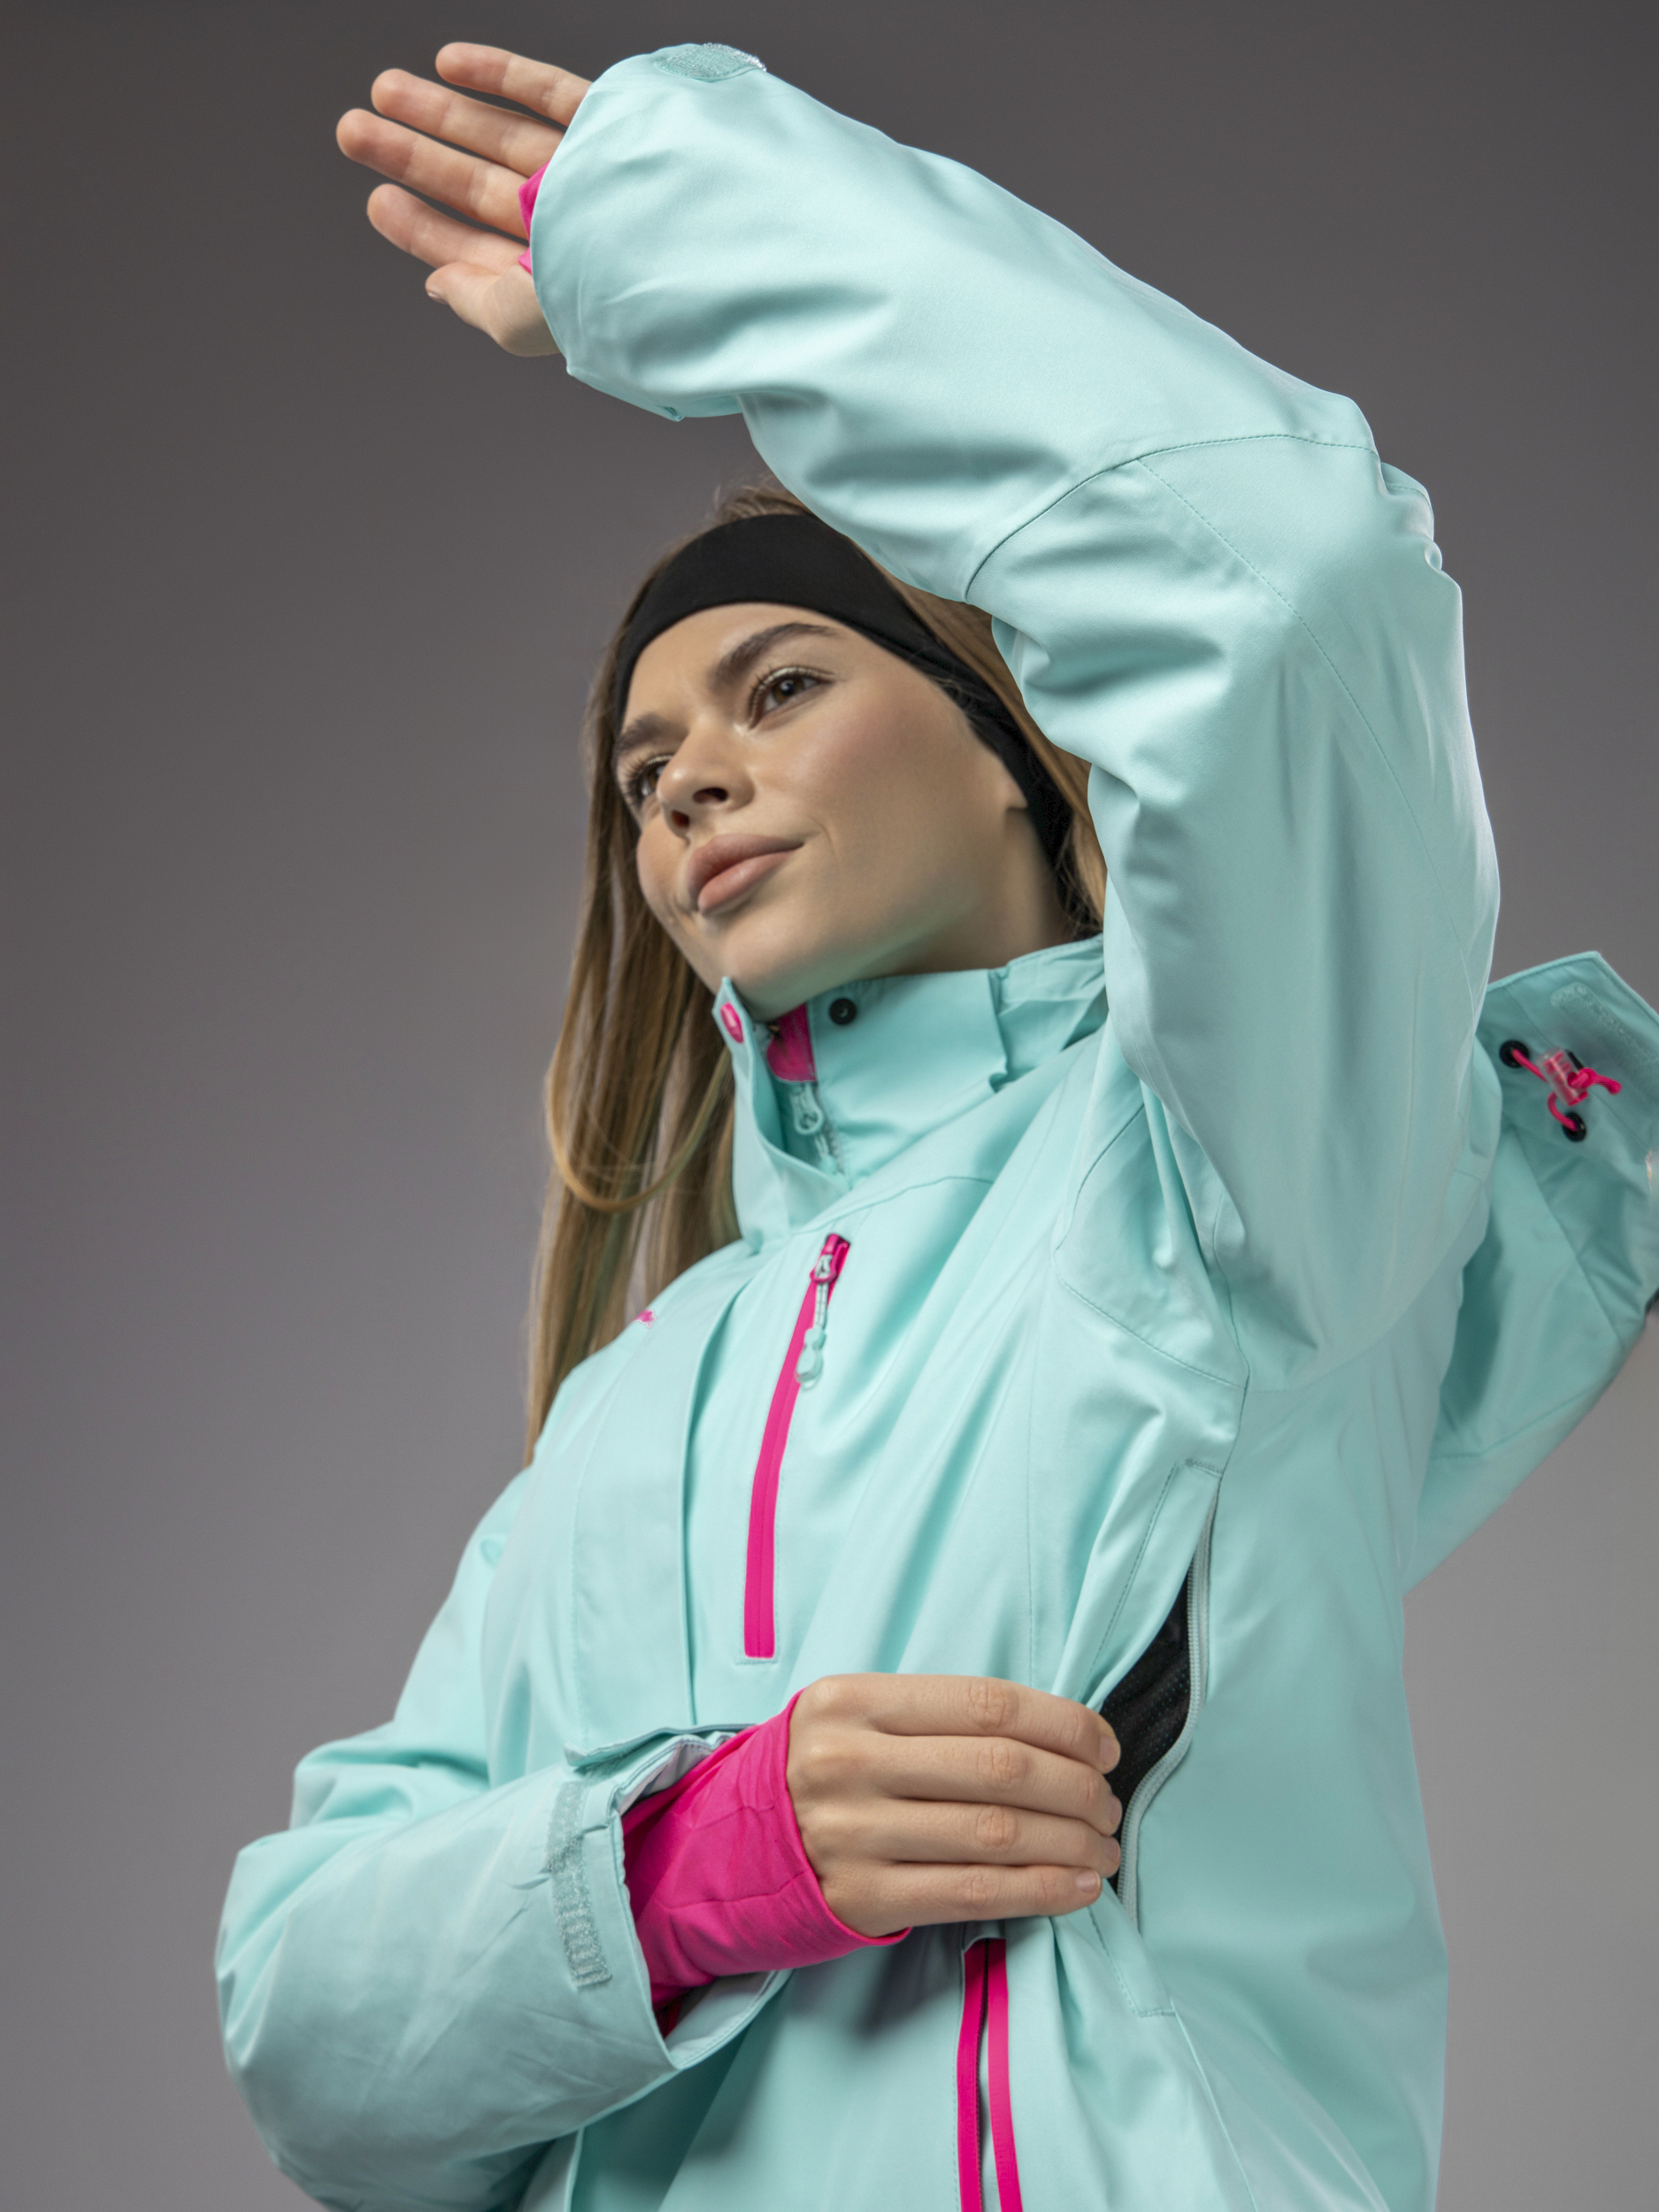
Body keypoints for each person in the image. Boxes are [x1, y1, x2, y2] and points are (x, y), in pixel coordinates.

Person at [217, 41, 1659, 2212]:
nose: (688, 785)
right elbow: (310, 2031)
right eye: (641, 771)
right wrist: (684, 1867)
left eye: (780, 686)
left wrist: (683, 234)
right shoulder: (627, 1412)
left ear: (1008, 741)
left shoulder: (1228, 1155)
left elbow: (1280, 579)